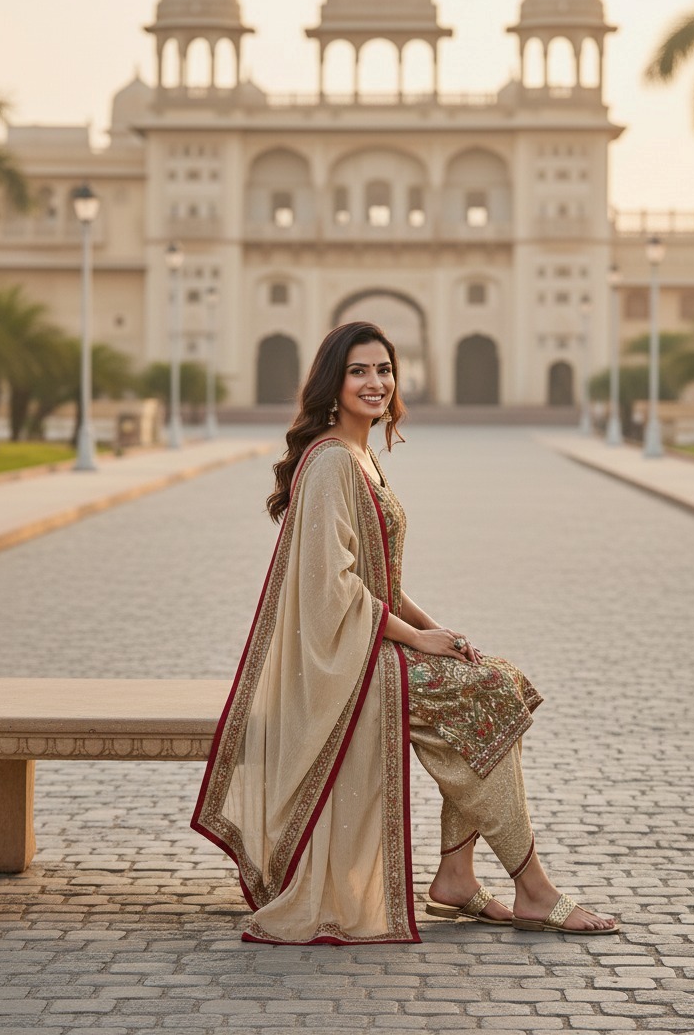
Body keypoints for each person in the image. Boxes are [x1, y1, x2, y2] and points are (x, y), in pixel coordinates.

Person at [192, 322, 618, 944]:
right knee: (486, 695)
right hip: (341, 662)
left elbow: (380, 577)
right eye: (359, 371)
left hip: (371, 641)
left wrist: (429, 624)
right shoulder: (333, 460)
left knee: (496, 686)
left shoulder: (362, 455)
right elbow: (331, 591)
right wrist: (416, 641)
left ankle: (457, 875)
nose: (376, 383)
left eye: (385, 370)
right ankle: (533, 889)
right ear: (332, 385)